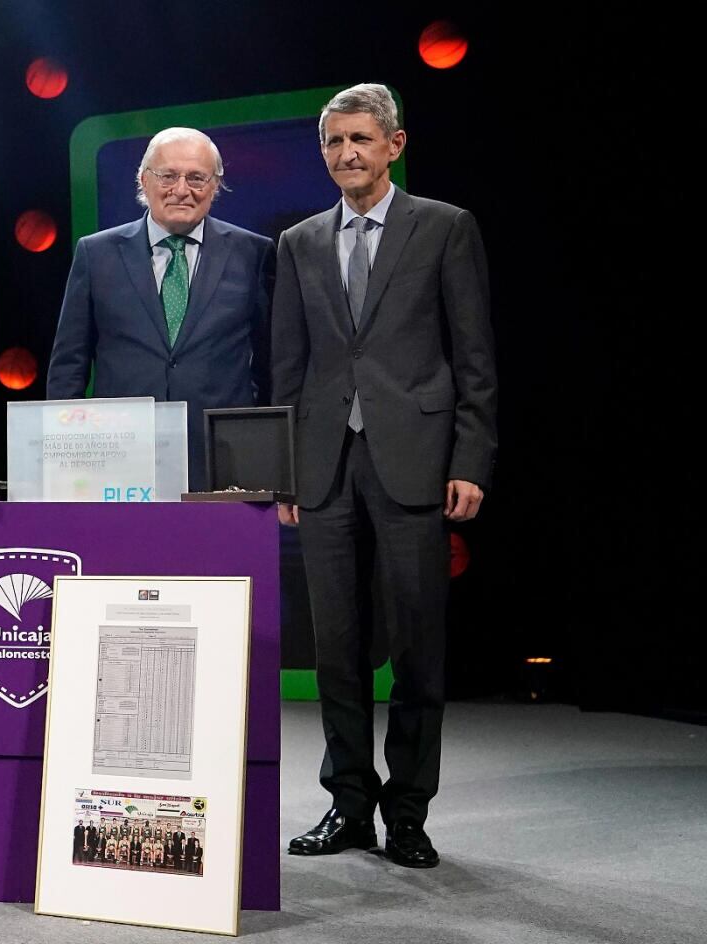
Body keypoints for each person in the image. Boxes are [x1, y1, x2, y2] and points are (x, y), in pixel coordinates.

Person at [274, 84, 497, 870]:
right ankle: (349, 807)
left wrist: (471, 459)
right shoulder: (298, 241)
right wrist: (285, 474)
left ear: (394, 145)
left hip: (416, 462)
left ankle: (408, 814)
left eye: (362, 139)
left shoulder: (443, 227)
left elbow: (474, 358)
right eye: (335, 142)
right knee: (335, 648)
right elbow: (288, 367)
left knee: (417, 647)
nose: (347, 155)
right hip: (326, 465)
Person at [47, 127, 276, 492]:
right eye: (168, 176)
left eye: (197, 178)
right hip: (119, 461)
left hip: (224, 466)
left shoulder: (254, 253)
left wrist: (270, 461)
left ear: (215, 185)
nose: (181, 190)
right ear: (143, 180)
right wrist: (63, 461)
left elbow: (270, 367)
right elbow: (68, 368)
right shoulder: (96, 254)